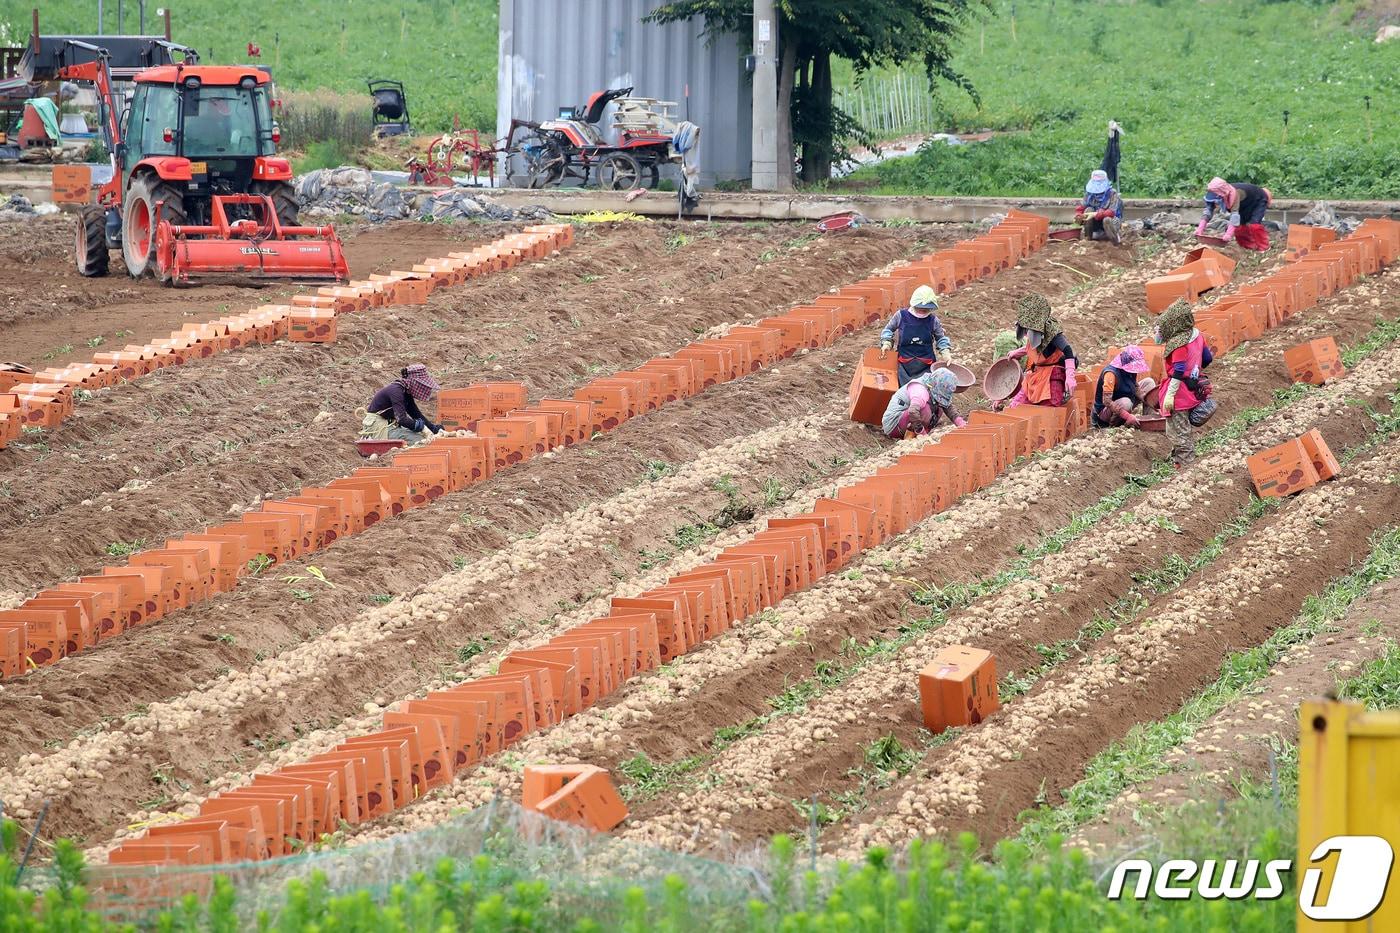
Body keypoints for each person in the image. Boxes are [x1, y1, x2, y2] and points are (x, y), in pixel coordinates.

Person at [1155, 300, 1217, 466]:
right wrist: (1195, 368)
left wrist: (1170, 395)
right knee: (1176, 430)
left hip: (1180, 395)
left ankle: (1187, 469)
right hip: (1193, 387)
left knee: (1180, 434)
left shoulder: (1179, 345)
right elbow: (1207, 358)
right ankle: (1178, 462)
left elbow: (1179, 370)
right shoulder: (1196, 335)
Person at [999, 294, 1078, 409]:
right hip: (1036, 373)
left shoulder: (1052, 332)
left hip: (1052, 376)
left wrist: (1070, 376)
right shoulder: (1032, 329)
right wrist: (1020, 352)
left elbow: (1067, 350)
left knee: (1048, 409)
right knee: (1016, 407)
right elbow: (1036, 347)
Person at [879, 285, 953, 386]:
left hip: (926, 365)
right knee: (903, 392)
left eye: (926, 309)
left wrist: (945, 353)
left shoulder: (933, 320)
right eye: (920, 308)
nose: (923, 311)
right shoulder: (901, 316)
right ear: (914, 304)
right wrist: (886, 343)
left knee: (924, 392)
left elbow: (941, 338)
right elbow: (888, 329)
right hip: (903, 364)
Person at [361, 364, 444, 443]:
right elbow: (402, 419)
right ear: (414, 382)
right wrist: (422, 427)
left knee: (421, 436)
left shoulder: (406, 392)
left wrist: (433, 429)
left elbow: (415, 414)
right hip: (378, 425)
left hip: (388, 423)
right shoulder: (396, 391)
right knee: (419, 440)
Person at [881, 369, 965, 440]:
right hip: (894, 425)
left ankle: (923, 431)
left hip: (907, 419)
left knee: (940, 407)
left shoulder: (933, 382)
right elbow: (913, 411)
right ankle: (911, 436)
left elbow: (947, 406)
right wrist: (922, 434)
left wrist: (960, 423)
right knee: (924, 409)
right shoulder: (920, 391)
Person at [1196, 177, 1273, 252]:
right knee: (1239, 228)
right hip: (1244, 204)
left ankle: (1264, 247)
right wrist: (1200, 229)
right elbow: (1208, 212)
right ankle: (1249, 247)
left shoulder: (1235, 194)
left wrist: (1228, 234)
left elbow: (1234, 217)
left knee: (1254, 225)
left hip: (1258, 199)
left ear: (1224, 195)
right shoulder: (1212, 194)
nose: (1215, 203)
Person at [1091, 345, 1158, 429]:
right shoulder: (1111, 373)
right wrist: (1127, 416)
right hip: (1105, 412)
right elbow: (1107, 401)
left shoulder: (1130, 369)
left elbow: (1135, 386)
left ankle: (1150, 420)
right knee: (1126, 403)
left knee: (1149, 382)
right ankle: (1114, 425)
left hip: (1125, 401)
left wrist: (1148, 399)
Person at [1075, 169, 1124, 246]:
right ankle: (1088, 238)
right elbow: (1082, 207)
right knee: (1088, 210)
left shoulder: (1112, 194)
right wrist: (1079, 215)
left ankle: (1115, 241)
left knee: (1106, 220)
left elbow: (1111, 212)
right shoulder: (1089, 194)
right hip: (1095, 222)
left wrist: (1096, 214)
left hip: (1111, 221)